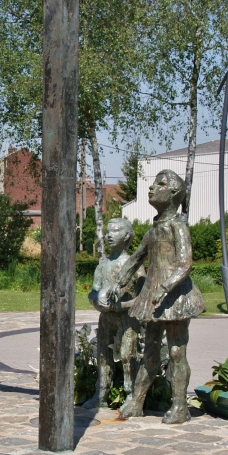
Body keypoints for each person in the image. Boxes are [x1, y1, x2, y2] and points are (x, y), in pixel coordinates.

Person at [114, 169, 205, 424]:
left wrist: (167, 286)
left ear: (174, 193)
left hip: (175, 298)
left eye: (160, 184)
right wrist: (120, 281)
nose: (152, 188)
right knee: (150, 352)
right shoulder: (155, 228)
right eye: (153, 183)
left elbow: (186, 263)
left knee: (177, 352)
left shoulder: (178, 225)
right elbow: (136, 257)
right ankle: (137, 402)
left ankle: (179, 407)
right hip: (153, 298)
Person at [88, 217, 143, 406]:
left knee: (128, 356)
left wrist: (122, 306)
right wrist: (96, 301)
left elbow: (144, 297)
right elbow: (94, 290)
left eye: (115, 231)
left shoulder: (134, 265)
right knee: (102, 354)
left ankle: (131, 395)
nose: (109, 235)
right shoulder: (102, 265)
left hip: (128, 319)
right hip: (106, 318)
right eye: (108, 231)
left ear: (127, 236)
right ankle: (100, 394)